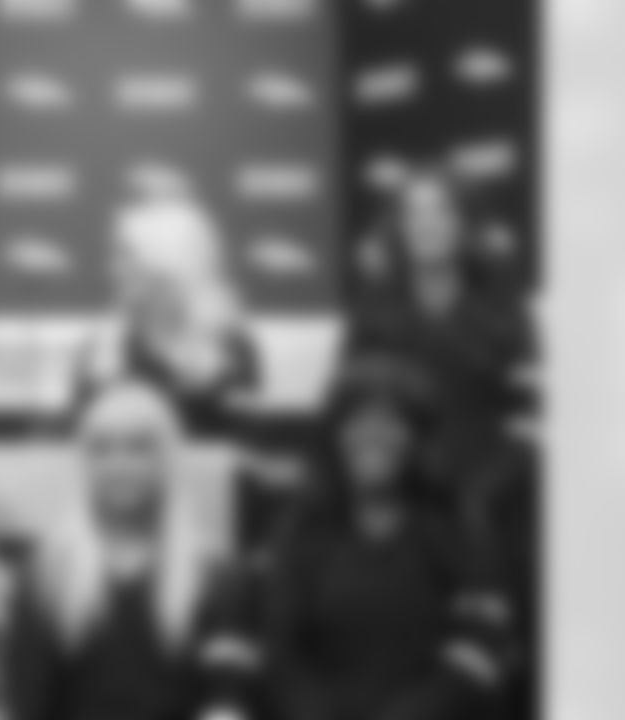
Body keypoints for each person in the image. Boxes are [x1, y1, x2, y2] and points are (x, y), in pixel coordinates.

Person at [261, 362, 510, 720]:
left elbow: (482, 647)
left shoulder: (456, 527)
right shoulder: (301, 530)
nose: (373, 435)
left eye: (391, 421)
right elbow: (283, 655)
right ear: (335, 436)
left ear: (417, 438)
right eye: (358, 421)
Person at [6, 379, 261, 720]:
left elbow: (227, 696)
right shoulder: (46, 575)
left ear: (167, 460)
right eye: (102, 450)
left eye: (138, 448)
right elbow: (29, 704)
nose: (119, 465)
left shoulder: (217, 578)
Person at [350, 164, 534, 488]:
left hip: (491, 482)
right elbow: (351, 406)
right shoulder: (373, 309)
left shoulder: (502, 304)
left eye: (440, 211)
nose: (427, 224)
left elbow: (528, 401)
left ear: (463, 222)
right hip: (404, 487)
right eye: (414, 214)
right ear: (399, 227)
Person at [80, 191, 259, 439]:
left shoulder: (231, 347)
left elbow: (244, 441)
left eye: (126, 256)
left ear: (167, 260)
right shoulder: (101, 350)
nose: (113, 270)